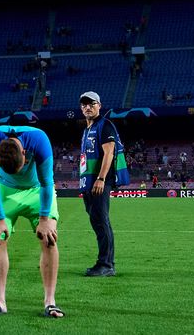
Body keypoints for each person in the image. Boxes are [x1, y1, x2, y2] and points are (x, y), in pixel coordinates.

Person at [0, 123, 63, 318]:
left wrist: (44, 218)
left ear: (25, 152)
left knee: (48, 239)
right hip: (5, 191)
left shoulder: (39, 139)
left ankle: (50, 302)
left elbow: (47, 183)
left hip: (37, 190)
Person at [78, 91, 128, 277]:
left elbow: (109, 153)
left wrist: (101, 179)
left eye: (91, 104)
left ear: (99, 105)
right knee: (96, 220)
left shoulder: (105, 125)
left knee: (101, 220)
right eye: (84, 104)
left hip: (99, 181)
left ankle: (107, 265)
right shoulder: (87, 130)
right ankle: (103, 262)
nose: (87, 107)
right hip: (89, 182)